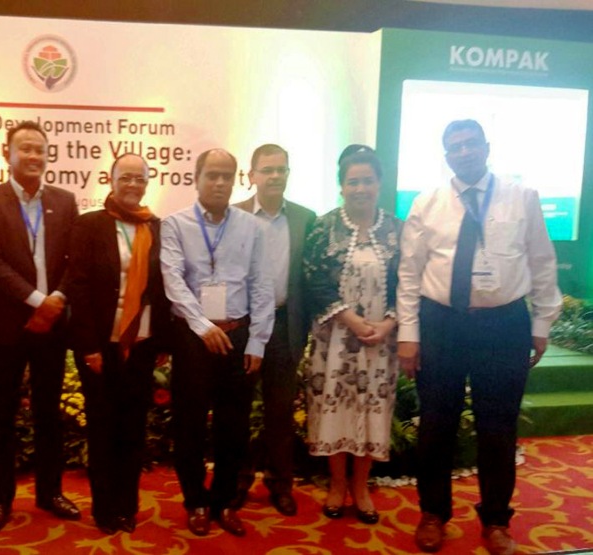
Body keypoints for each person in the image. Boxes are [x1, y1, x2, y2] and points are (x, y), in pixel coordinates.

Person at [397, 120, 561, 555]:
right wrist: (409, 335)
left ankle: (496, 520)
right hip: (441, 324)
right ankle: (433, 513)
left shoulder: (521, 196)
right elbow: (410, 273)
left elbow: (542, 261)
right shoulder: (427, 203)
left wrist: (541, 325)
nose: (464, 152)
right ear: (446, 156)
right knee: (436, 425)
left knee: (498, 428)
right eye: (455, 147)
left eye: (471, 144)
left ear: (487, 147)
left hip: (503, 325)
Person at [0, 120, 80, 533]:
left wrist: (58, 301)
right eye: (25, 149)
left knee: (49, 412)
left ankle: (50, 492)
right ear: (8, 154)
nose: (34, 156)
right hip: (8, 325)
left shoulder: (64, 201)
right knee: (2, 414)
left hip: (53, 327)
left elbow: (74, 260)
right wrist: (38, 301)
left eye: (40, 149)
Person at [160, 149, 274, 537]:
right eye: (212, 175)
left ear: (236, 179)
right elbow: (173, 280)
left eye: (227, 175)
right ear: (197, 178)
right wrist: (201, 325)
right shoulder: (175, 224)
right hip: (192, 337)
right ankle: (195, 501)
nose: (220, 182)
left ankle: (224, 501)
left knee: (234, 426)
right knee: (189, 424)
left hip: (237, 334)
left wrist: (257, 341)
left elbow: (262, 284)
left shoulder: (252, 227)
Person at [67, 153, 171, 534]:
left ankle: (127, 507)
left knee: (133, 428)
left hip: (140, 344)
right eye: (125, 177)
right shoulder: (89, 224)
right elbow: (77, 286)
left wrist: (163, 341)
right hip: (100, 346)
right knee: (102, 428)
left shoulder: (156, 227)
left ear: (147, 184)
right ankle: (104, 509)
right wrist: (88, 346)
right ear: (110, 180)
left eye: (139, 178)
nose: (132, 184)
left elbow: (164, 287)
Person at [303, 146, 402, 525]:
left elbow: (408, 282)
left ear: (379, 183)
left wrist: (388, 324)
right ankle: (337, 484)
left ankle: (361, 487)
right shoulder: (324, 226)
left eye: (368, 181)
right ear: (341, 186)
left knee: (371, 411)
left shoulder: (397, 229)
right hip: (335, 342)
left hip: (380, 342)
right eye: (353, 181)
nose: (361, 188)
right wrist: (353, 321)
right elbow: (313, 280)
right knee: (336, 410)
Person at [233, 144, 316, 515]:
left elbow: (310, 278)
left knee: (280, 412)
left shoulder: (304, 218)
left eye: (281, 169)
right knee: (237, 408)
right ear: (252, 176)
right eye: (267, 170)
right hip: (242, 325)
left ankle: (280, 484)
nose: (275, 176)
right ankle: (236, 482)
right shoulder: (233, 215)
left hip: (284, 325)